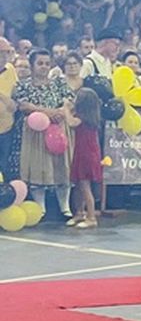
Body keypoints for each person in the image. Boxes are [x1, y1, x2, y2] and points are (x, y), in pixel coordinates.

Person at [14, 49, 74, 219]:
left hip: (58, 130)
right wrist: (48, 112)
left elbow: (70, 100)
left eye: (47, 63)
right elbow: (24, 106)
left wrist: (61, 111)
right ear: (32, 65)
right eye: (40, 63)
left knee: (62, 167)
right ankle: (40, 208)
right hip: (35, 133)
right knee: (37, 169)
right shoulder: (23, 85)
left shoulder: (59, 83)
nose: (44, 67)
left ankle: (65, 207)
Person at [64, 88, 103, 228]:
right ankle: (79, 213)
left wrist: (66, 109)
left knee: (85, 186)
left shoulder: (83, 118)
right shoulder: (89, 116)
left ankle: (91, 217)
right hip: (81, 152)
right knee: (78, 185)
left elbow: (71, 123)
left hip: (86, 154)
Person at [0, 39, 17, 181]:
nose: (4, 57)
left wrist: (13, 103)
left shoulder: (11, 69)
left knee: (4, 167)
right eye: (1, 53)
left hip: (6, 128)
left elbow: (15, 93)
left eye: (7, 53)